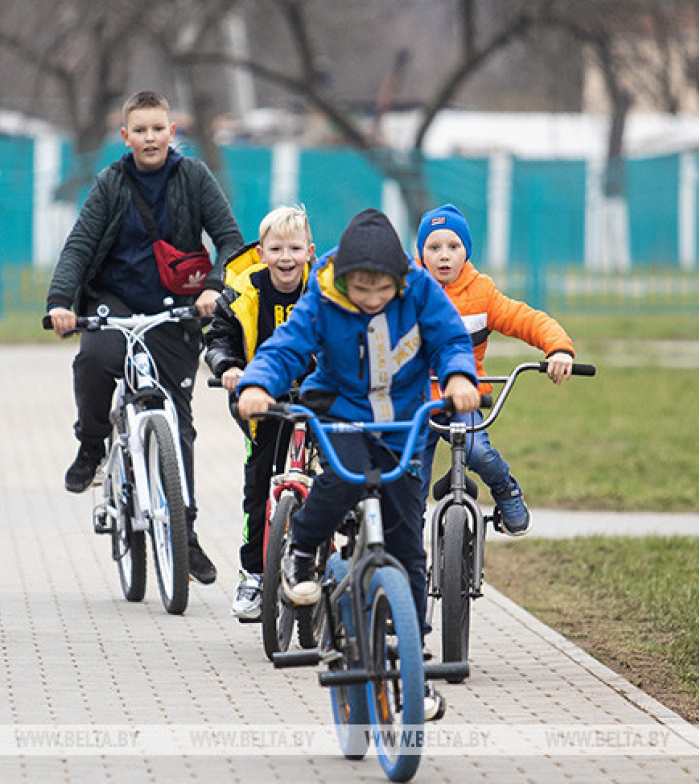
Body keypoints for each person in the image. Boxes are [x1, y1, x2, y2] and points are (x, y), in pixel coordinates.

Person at [235, 209, 479, 711]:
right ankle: (302, 547)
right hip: (344, 415)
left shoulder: (421, 290)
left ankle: (410, 655)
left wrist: (458, 378)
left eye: (380, 289)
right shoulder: (322, 294)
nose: (369, 299)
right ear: (342, 277)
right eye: (359, 289)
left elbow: (450, 338)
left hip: (403, 424)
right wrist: (259, 382)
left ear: (399, 277)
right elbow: (286, 347)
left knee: (408, 538)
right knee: (343, 481)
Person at [46, 90, 245, 585]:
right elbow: (79, 245)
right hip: (114, 301)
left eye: (159, 128)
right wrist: (60, 302)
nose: (150, 137)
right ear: (126, 136)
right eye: (141, 130)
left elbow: (230, 241)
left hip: (176, 310)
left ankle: (185, 533)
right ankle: (92, 445)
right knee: (93, 359)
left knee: (177, 422)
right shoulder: (110, 183)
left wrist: (215, 290)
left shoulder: (194, 177)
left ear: (173, 133)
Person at [414, 203, 575, 535]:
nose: (444, 256)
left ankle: (506, 489)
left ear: (466, 252)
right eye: (434, 247)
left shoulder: (481, 293)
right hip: (417, 399)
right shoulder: (408, 289)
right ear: (420, 252)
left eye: (453, 247)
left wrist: (557, 348)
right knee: (410, 477)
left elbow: (526, 319)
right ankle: (407, 543)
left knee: (478, 451)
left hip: (466, 397)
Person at [203, 205, 315, 621]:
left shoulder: (325, 290)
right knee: (260, 483)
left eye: (294, 248)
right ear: (262, 252)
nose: (286, 257)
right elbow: (219, 339)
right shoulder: (242, 293)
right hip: (263, 401)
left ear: (309, 251)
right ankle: (253, 574)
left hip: (320, 400)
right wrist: (228, 367)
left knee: (339, 476)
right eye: (276, 249)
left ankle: (334, 561)